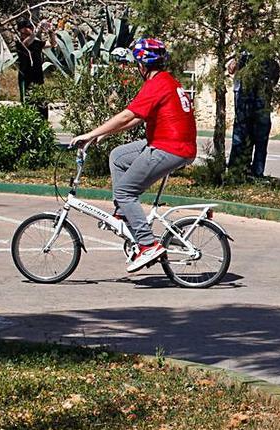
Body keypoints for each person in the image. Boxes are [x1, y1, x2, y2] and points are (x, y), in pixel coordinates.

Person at [70, 38, 197, 273]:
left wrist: (90, 133)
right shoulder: (165, 81)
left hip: (169, 148)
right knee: (118, 156)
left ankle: (147, 244)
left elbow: (127, 116)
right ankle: (122, 214)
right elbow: (138, 117)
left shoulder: (156, 84)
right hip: (169, 144)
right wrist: (105, 134)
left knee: (125, 191)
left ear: (142, 64)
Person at [227, 51, 280, 177]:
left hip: (253, 101)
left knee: (247, 135)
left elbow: (231, 69)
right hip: (252, 101)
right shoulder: (244, 57)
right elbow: (231, 68)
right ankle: (247, 170)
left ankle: (240, 170)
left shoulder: (267, 62)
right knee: (249, 136)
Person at [13, 19, 49, 119]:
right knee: (27, 102)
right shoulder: (20, 43)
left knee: (42, 103)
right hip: (26, 78)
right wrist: (38, 29)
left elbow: (52, 44)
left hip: (38, 78)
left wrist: (51, 32)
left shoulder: (37, 43)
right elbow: (27, 42)